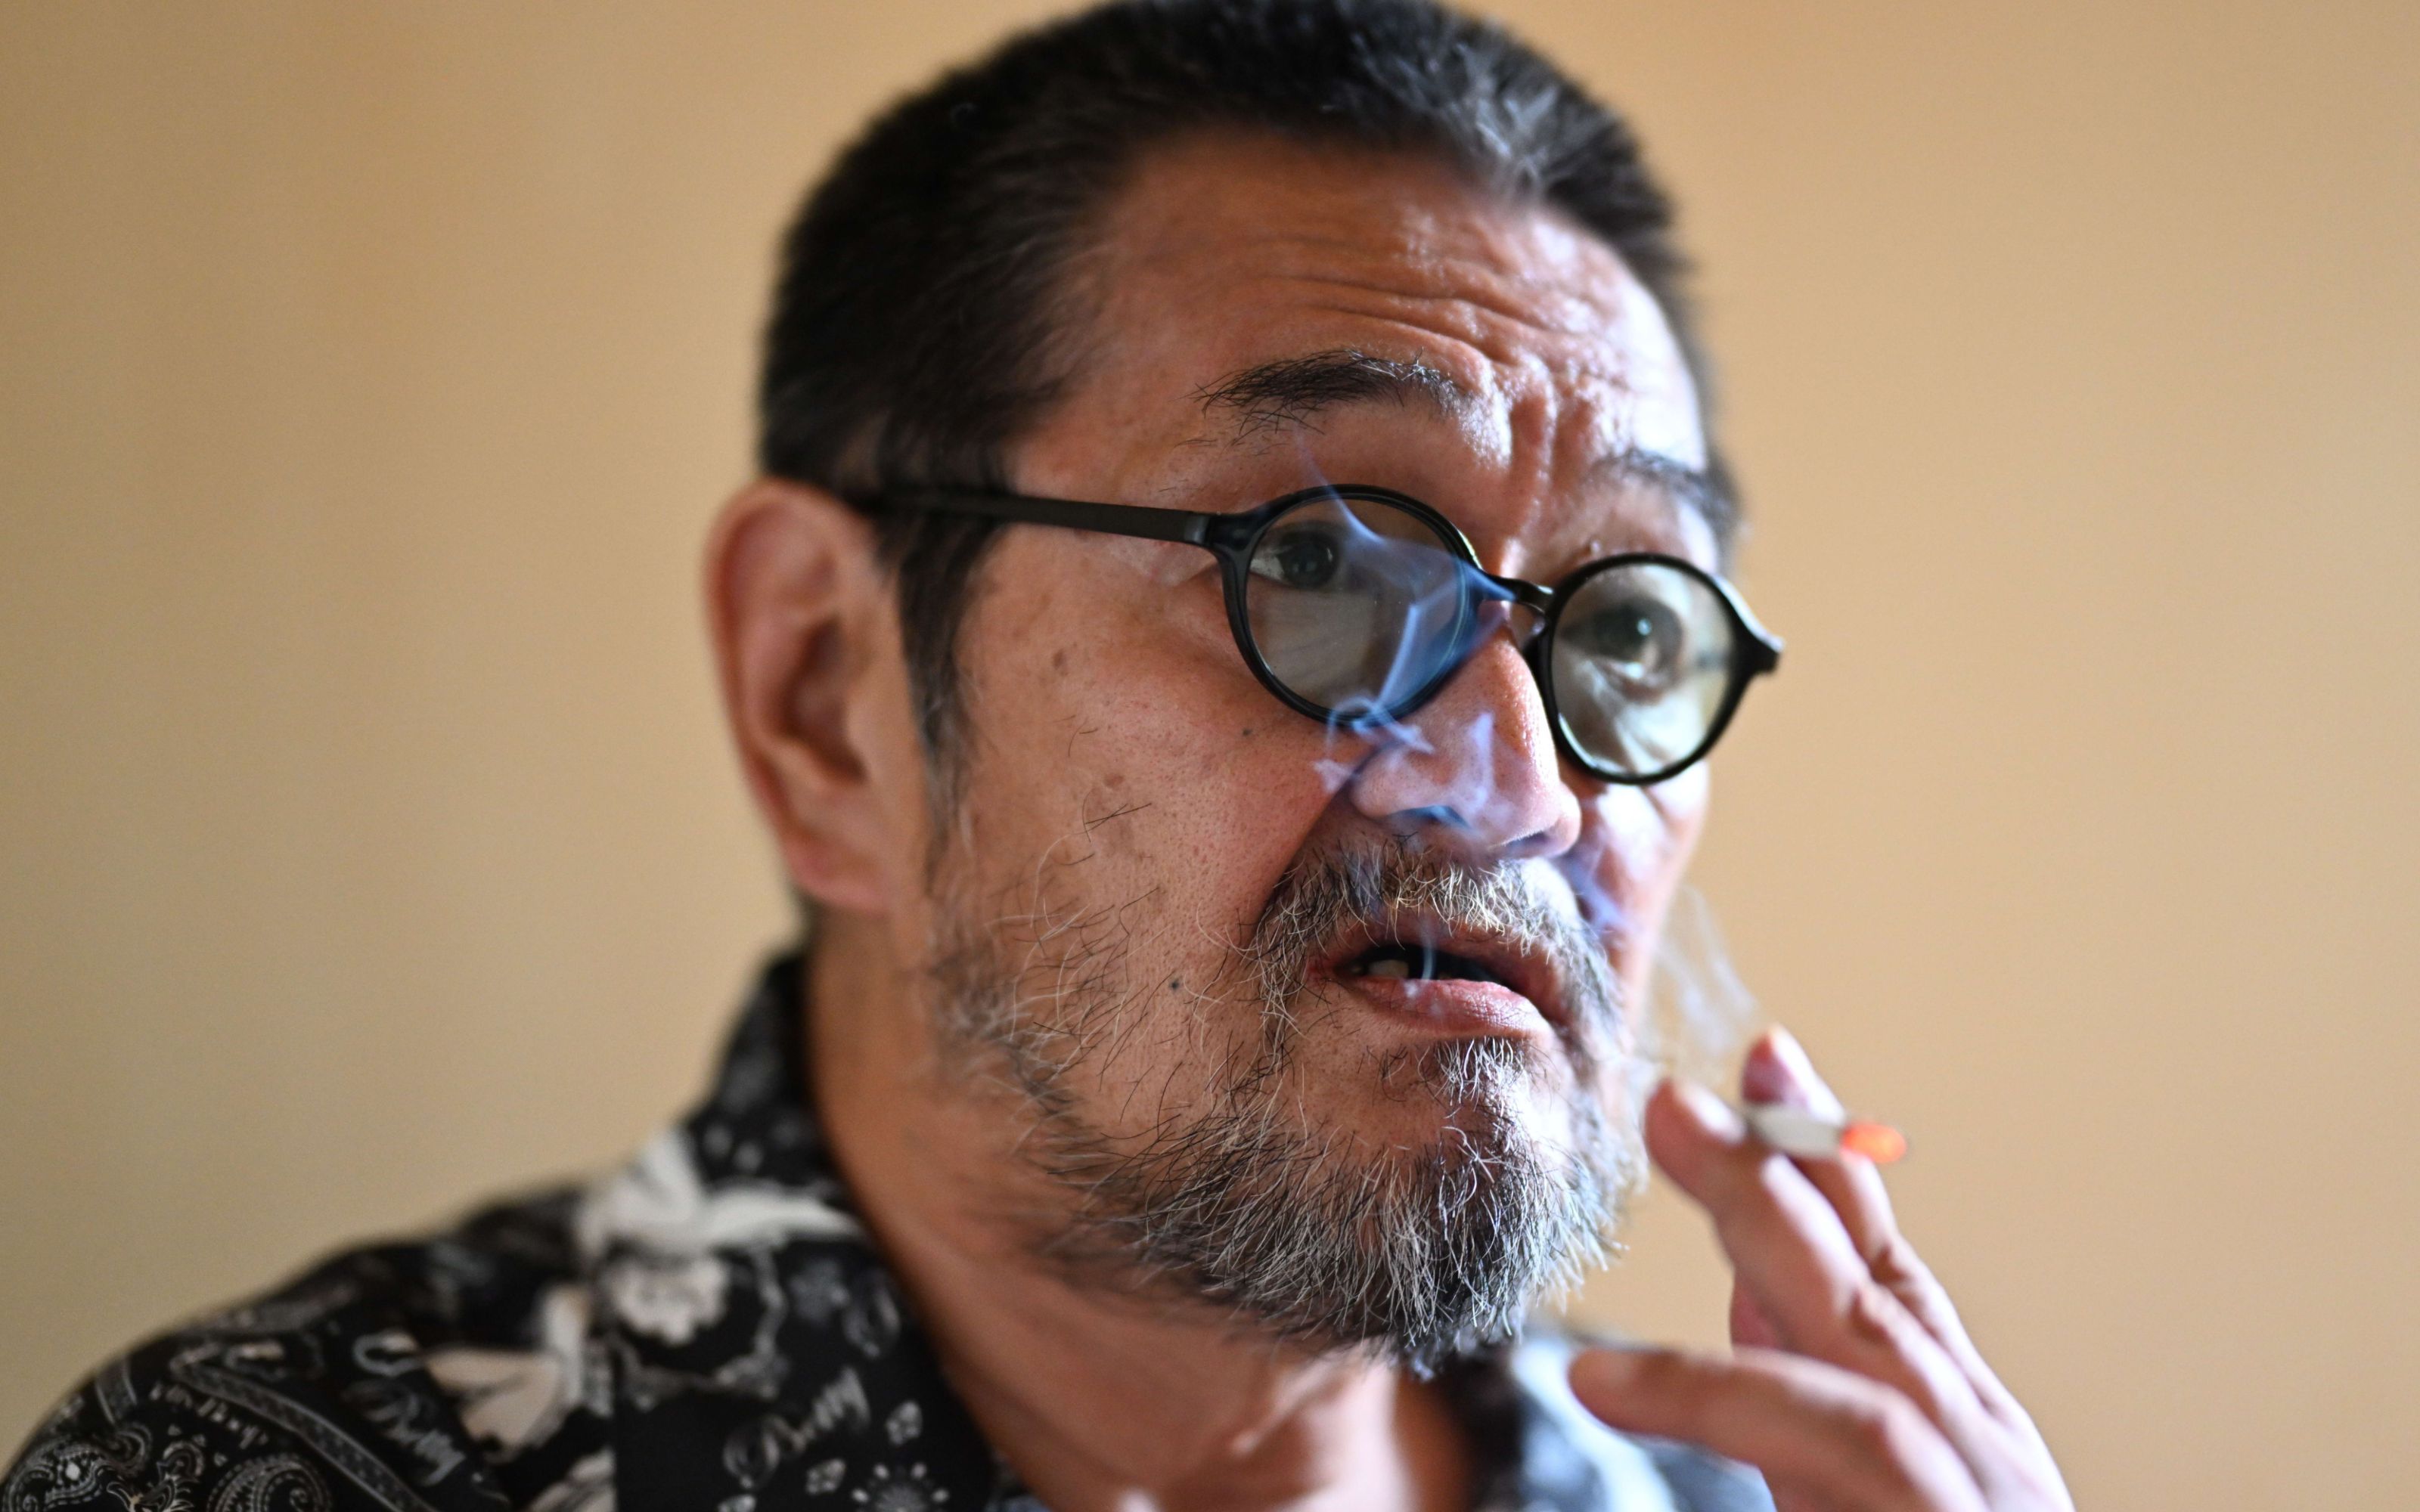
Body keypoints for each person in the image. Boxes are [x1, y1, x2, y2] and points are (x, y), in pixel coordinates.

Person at [5, 3, 2074, 1509]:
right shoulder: (293, 1477)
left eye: (1625, 628)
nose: (1523, 782)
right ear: (826, 694)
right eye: (1321, 570)